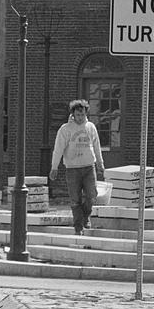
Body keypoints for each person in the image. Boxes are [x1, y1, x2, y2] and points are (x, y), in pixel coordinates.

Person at [49, 99, 105, 234]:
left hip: (88, 167)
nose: (80, 118)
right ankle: (78, 226)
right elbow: (58, 149)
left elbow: (97, 146)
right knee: (75, 199)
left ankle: (86, 216)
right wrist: (54, 167)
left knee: (92, 195)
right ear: (73, 114)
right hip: (72, 168)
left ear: (86, 114)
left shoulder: (90, 127)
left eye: (83, 115)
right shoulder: (65, 129)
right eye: (78, 115)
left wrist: (100, 163)